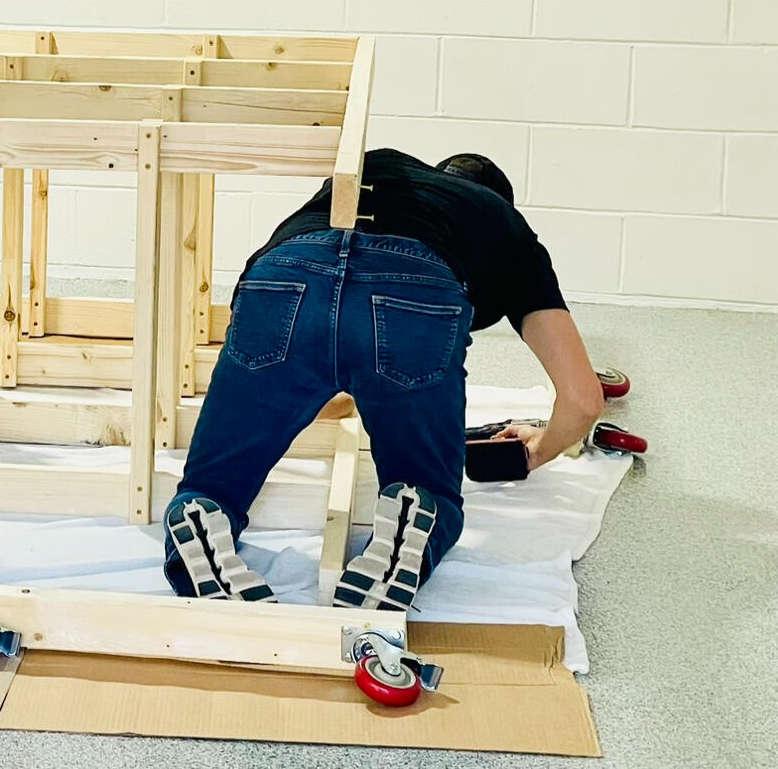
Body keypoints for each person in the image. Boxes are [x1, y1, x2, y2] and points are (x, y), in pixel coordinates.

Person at [163, 151, 604, 611]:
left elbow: (334, 285)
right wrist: (537, 450)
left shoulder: (379, 164)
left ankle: (204, 515)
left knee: (212, 482)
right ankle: (412, 517)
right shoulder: (506, 226)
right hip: (413, 294)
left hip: (285, 278)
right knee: (428, 493)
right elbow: (583, 400)